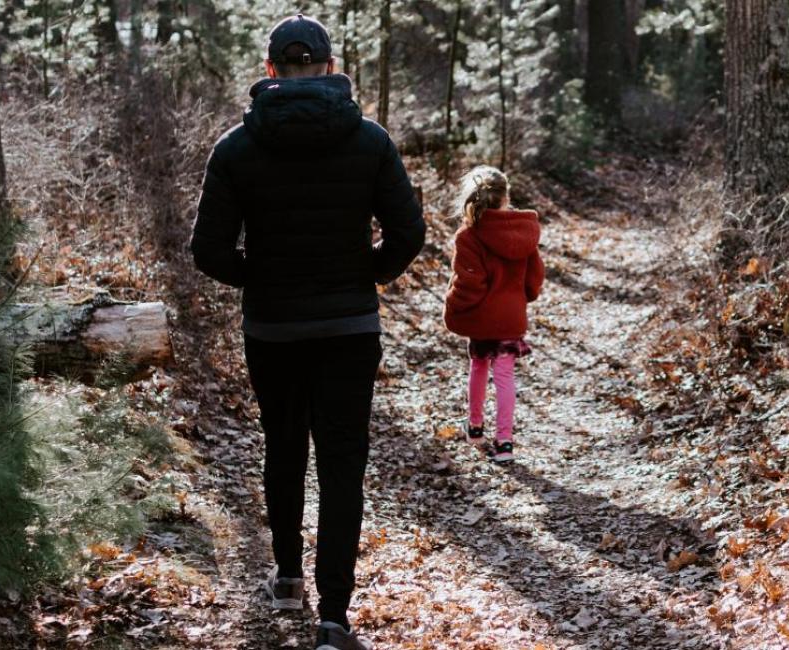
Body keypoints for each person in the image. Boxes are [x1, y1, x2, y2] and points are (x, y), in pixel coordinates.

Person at [189, 13, 425, 650]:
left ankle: (289, 576)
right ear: (327, 67)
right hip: (350, 327)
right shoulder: (369, 140)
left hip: (273, 328)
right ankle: (334, 621)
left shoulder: (236, 147)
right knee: (343, 464)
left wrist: (260, 280)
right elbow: (409, 234)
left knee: (284, 447)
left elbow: (208, 249)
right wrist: (366, 276)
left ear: (270, 70)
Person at [443, 166, 544, 464]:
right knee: (504, 376)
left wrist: (453, 305)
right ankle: (505, 443)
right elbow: (535, 277)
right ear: (506, 196)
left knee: (478, 366)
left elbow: (469, 285)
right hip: (511, 317)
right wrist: (519, 299)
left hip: (481, 318)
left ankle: (475, 428)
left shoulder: (469, 236)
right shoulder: (524, 231)